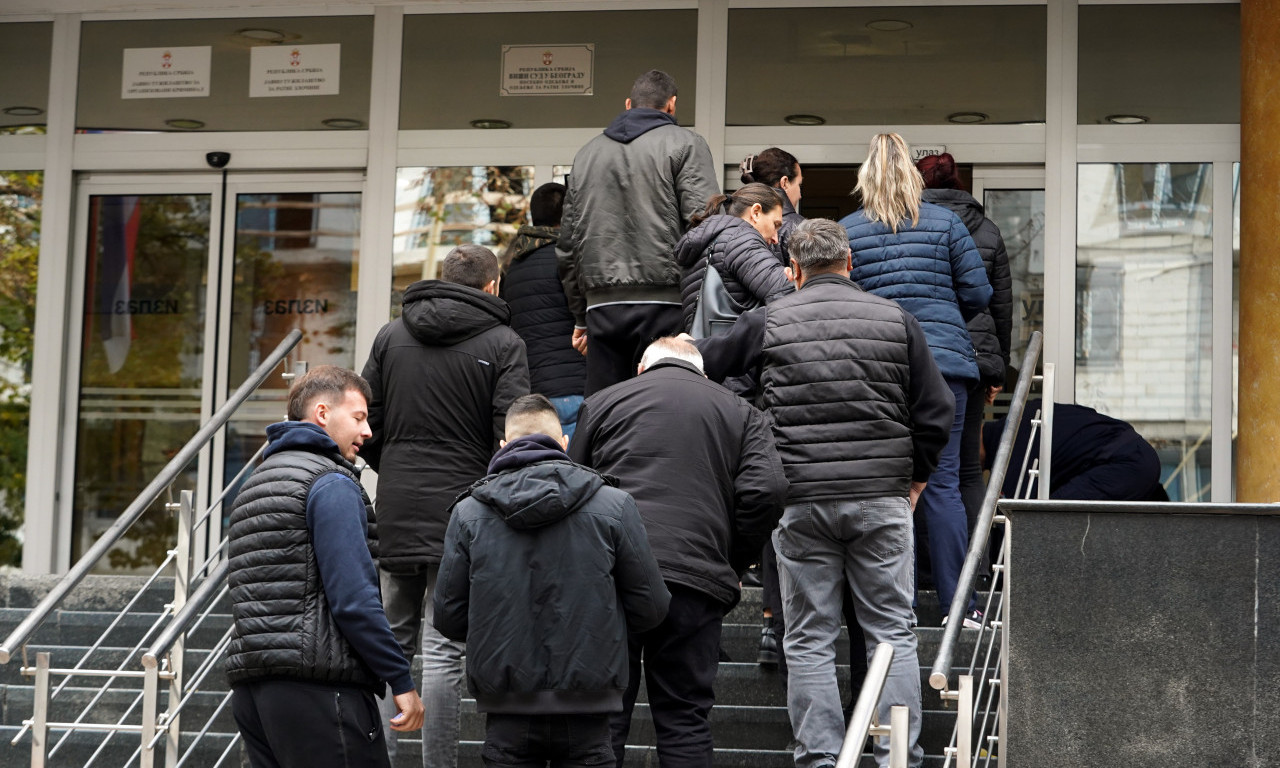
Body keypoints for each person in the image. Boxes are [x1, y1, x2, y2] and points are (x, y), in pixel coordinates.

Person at [692, 218, 954, 768]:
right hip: (881, 495)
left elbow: (703, 368)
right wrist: (916, 477)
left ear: (793, 269)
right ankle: (896, 756)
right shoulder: (895, 320)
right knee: (891, 631)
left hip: (801, 497)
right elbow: (936, 409)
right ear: (850, 262)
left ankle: (820, 758)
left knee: (809, 636)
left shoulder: (768, 319)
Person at [570, 337, 788, 768]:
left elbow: (574, 487)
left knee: (602, 721)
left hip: (612, 577)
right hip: (695, 576)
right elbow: (769, 490)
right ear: (702, 373)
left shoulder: (604, 403)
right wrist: (731, 556)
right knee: (685, 719)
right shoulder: (740, 411)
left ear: (641, 370)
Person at [432, 394, 671, 768]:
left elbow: (448, 617)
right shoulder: (613, 505)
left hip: (506, 708)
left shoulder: (469, 512)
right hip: (590, 706)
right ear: (563, 443)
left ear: (504, 445)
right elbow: (652, 607)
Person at [360, 244, 529, 768]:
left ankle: (380, 760)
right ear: (492, 286)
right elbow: (513, 435)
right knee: (444, 646)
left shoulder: (391, 335)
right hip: (463, 508)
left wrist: (393, 467)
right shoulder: (505, 342)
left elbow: (365, 420)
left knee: (389, 639)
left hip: (396, 502)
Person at [226, 365, 425, 768]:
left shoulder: (254, 485)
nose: (368, 431)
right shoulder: (330, 483)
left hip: (255, 694)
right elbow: (354, 599)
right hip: (321, 693)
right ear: (321, 413)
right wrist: (400, 679)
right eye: (358, 417)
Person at [841, 133, 992, 629]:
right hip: (946, 367)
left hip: (880, 370)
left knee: (885, 488)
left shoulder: (848, 232)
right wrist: (944, 320)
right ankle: (959, 607)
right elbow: (977, 291)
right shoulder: (947, 222)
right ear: (912, 173)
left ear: (866, 176)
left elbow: (844, 301)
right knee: (945, 486)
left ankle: (894, 608)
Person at [557, 69, 721, 395]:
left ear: (629, 104)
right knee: (664, 404)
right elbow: (706, 228)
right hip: (668, 304)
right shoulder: (686, 145)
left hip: (602, 309)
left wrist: (581, 315)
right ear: (672, 105)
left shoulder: (586, 155)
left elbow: (568, 245)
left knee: (606, 410)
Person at [917, 152, 1013, 578]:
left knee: (919, 470)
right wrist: (998, 368)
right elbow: (1001, 307)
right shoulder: (986, 228)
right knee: (967, 472)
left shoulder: (912, 224)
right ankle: (979, 571)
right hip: (970, 360)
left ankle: (923, 573)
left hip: (922, 356)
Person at [501, 182, 588, 440]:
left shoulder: (512, 267)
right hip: (575, 386)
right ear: (569, 215)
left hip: (532, 396)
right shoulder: (572, 260)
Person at [982, 399, 1169, 501]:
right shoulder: (1029, 412)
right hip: (1134, 455)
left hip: (1128, 463)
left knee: (1048, 518)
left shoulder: (1013, 454)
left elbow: (1015, 522)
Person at [675, 182, 791, 336]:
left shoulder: (710, 239)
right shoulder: (740, 239)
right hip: (736, 349)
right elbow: (784, 292)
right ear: (756, 212)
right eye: (776, 225)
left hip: (705, 346)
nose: (776, 238)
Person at [740, 147, 806, 266]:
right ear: (784, 183)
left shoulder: (736, 221)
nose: (800, 195)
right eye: (799, 185)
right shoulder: (801, 228)